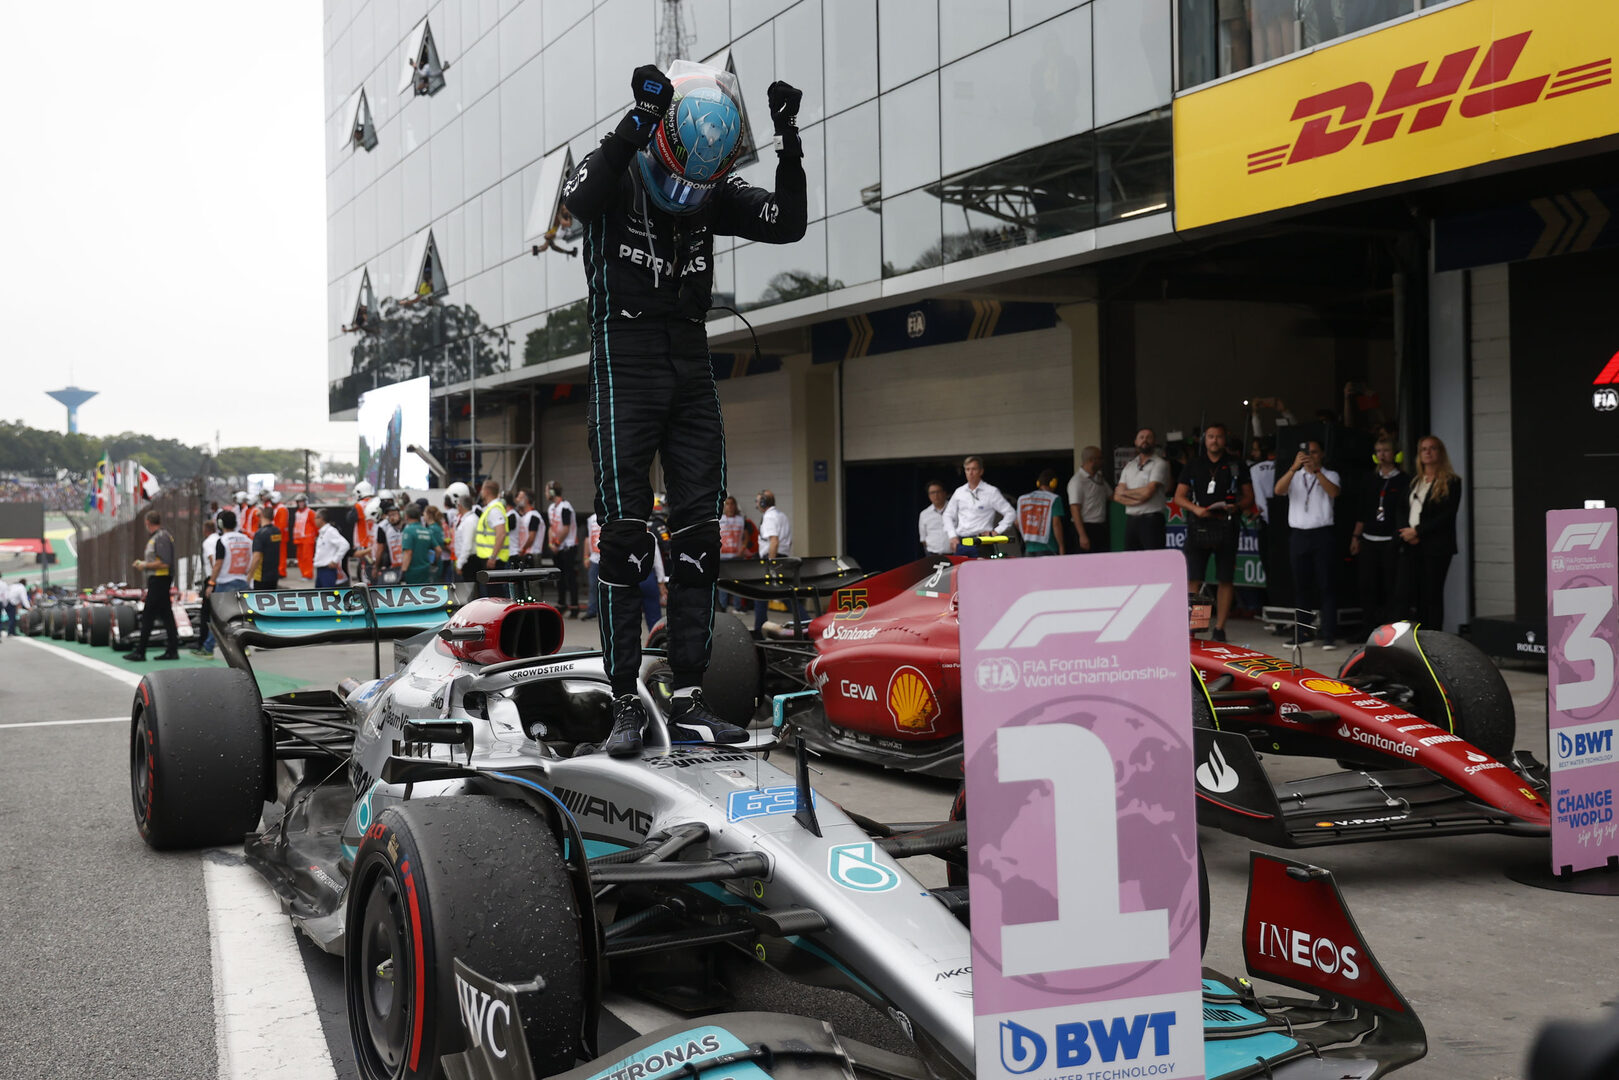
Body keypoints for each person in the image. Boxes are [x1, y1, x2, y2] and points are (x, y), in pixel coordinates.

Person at [562, 59, 806, 758]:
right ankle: (622, 701)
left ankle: (691, 694)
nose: (684, 195)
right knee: (624, 535)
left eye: (698, 184)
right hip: (625, 358)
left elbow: (787, 222)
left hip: (690, 360)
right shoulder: (617, 170)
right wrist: (634, 121)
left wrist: (788, 141)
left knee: (700, 535)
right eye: (675, 177)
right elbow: (578, 200)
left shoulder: (710, 190)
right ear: (660, 138)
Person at [1173, 423, 1253, 642]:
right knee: (1195, 578)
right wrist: (1196, 509)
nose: (1214, 440)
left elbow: (1249, 497)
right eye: (1210, 436)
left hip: (1227, 524)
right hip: (1199, 524)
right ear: (1204, 440)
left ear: (1224, 439)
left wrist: (1237, 506)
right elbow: (1179, 496)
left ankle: (1219, 628)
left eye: (1218, 436)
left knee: (1225, 578)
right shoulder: (1194, 464)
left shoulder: (1236, 464)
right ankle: (1196, 626)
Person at [1274, 439, 1342, 649]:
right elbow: (1278, 490)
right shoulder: (1295, 476)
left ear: (1321, 454)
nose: (1309, 456)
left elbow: (1334, 492)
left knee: (1326, 585)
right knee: (1301, 586)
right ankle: (1303, 633)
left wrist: (1317, 472)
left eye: (1314, 452)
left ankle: (1328, 634)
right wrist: (1293, 468)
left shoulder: (1330, 474)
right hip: (1299, 534)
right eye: (1306, 453)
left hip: (1322, 534)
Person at [1398, 434, 1463, 630]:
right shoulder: (1414, 482)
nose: (1428, 452)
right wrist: (1406, 532)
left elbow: (1446, 515)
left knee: (1432, 594)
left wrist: (1418, 532)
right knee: (1413, 594)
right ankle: (1417, 637)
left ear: (1440, 453)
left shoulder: (1451, 482)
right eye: (1423, 449)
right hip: (1410, 545)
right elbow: (1401, 509)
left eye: (1432, 448)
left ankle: (1434, 636)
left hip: (1436, 546)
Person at [1351, 437, 1408, 629]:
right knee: (1367, 585)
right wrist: (1356, 536)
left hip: (1391, 540)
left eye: (1386, 450)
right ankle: (1368, 627)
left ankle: (1390, 629)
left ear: (1396, 454)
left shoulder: (1404, 480)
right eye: (1378, 451)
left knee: (1390, 586)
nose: (1382, 455)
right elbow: (1362, 510)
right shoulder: (1369, 479)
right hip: (1369, 539)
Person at [123, 510, 180, 661]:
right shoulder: (158, 537)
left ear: (147, 522)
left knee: (148, 614)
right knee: (166, 615)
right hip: (158, 579)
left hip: (160, 580)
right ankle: (172, 650)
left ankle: (141, 651)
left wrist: (145, 565)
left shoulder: (161, 537)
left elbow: (165, 562)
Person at [195, 510, 254, 656]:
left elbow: (218, 564)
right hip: (242, 581)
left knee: (218, 618)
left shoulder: (222, 541)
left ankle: (208, 648)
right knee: (240, 617)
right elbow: (252, 560)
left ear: (220, 524)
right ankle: (243, 646)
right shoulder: (247, 540)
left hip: (225, 582)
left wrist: (211, 582)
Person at [942, 457, 1015, 555]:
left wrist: (996, 531)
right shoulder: (959, 492)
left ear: (981, 471)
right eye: (967, 469)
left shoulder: (991, 491)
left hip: (982, 541)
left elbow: (1010, 513)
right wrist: (952, 536)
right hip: (962, 541)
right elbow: (947, 515)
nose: (970, 473)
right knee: (960, 565)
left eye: (974, 469)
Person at [1115, 428, 1172, 551]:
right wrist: (1137, 500)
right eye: (1141, 437)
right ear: (1135, 442)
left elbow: (1148, 492)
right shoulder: (1129, 466)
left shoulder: (1160, 463)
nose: (1144, 440)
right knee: (1131, 558)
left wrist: (1125, 493)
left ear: (1154, 441)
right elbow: (1117, 496)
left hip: (1151, 520)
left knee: (1153, 558)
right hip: (1131, 520)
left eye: (1148, 437)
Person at [754, 490, 799, 635]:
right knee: (785, 594)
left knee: (761, 594)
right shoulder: (782, 515)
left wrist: (771, 564)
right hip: (782, 557)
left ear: (763, 502)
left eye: (757, 501)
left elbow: (774, 541)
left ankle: (759, 631)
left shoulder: (769, 517)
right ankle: (805, 622)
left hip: (772, 558)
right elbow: (788, 541)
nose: (756, 504)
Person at [1067, 446, 1111, 553]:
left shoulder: (1099, 478)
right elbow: (1075, 509)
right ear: (1091, 460)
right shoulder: (1077, 481)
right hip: (1085, 526)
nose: (1102, 461)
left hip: (1100, 526)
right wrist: (1082, 535)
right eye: (1100, 458)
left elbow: (1111, 495)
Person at [546, 482, 581, 616]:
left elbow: (566, 528)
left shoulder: (565, 507)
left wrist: (556, 543)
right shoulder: (551, 508)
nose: (546, 494)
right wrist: (551, 543)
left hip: (568, 547)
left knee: (570, 577)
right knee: (559, 577)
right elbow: (551, 527)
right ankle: (562, 603)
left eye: (547, 491)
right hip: (558, 548)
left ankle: (574, 606)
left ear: (552, 492)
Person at [473, 479, 510, 597]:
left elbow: (501, 533)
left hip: (493, 560)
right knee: (492, 595)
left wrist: (493, 557)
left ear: (487, 491)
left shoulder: (494, 510)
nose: (481, 492)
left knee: (494, 596)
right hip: (490, 558)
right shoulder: (491, 508)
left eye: (482, 489)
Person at [1017, 470, 1068, 556]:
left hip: (1029, 547)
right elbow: (1056, 524)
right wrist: (1061, 546)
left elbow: (1017, 522)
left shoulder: (1023, 499)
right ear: (1053, 483)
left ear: (1038, 483)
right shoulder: (1054, 499)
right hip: (1049, 547)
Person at [398, 503, 441, 585]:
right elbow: (438, 550)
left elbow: (408, 553)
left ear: (406, 516)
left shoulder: (408, 531)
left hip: (412, 573)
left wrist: (403, 572)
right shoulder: (426, 530)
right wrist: (434, 562)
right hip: (425, 572)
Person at [718, 495, 748, 610]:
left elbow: (746, 536)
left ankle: (737, 607)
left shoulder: (741, 519)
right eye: (727, 504)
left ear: (735, 506)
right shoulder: (719, 519)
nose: (730, 506)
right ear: (724, 506)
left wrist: (743, 547)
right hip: (723, 557)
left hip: (737, 557)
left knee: (736, 583)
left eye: (732, 504)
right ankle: (722, 607)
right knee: (723, 584)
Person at [312, 508, 351, 588]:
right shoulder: (322, 532)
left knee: (327, 594)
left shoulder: (330, 531)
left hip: (327, 570)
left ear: (321, 519)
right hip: (320, 569)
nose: (314, 520)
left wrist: (335, 560)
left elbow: (345, 545)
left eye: (316, 518)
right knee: (319, 594)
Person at [250, 505, 286, 591]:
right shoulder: (277, 531)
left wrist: (249, 575)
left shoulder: (260, 534)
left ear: (262, 516)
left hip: (261, 577)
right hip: (274, 575)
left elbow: (257, 557)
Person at [350, 481, 376, 583]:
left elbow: (349, 519)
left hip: (363, 543)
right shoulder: (376, 502)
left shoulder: (358, 506)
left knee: (365, 569)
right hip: (375, 542)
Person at [918, 481, 951, 556]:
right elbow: (923, 539)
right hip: (932, 555)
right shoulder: (924, 514)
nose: (936, 495)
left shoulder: (955, 509)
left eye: (938, 492)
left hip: (954, 554)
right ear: (929, 495)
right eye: (932, 493)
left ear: (944, 493)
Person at [455, 492, 480, 589]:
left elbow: (467, 544)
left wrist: (460, 564)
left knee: (470, 590)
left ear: (460, 506)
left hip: (469, 560)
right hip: (468, 559)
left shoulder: (469, 521)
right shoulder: (468, 519)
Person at [291, 493, 317, 581]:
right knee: (300, 557)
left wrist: (316, 535)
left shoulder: (310, 512)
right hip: (299, 539)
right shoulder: (297, 513)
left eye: (302, 501)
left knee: (307, 558)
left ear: (305, 502)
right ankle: (303, 574)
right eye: (299, 502)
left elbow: (316, 525)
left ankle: (308, 575)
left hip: (308, 539)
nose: (300, 503)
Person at [583, 512, 602, 620]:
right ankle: (592, 610)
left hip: (608, 558)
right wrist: (586, 556)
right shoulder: (591, 519)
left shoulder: (610, 516)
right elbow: (587, 538)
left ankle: (605, 611)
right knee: (593, 585)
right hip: (594, 558)